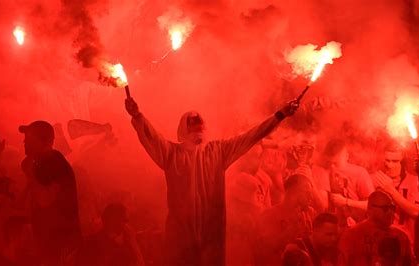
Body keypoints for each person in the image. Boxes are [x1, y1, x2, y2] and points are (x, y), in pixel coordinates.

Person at [125, 97, 299, 265]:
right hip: (181, 236)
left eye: (198, 122)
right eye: (191, 123)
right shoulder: (172, 154)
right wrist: (137, 116)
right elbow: (152, 137)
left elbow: (252, 136)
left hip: (211, 234)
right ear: (182, 130)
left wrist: (280, 115)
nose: (196, 125)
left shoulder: (218, 151)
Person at [19, 120, 81, 265]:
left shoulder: (54, 161)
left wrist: (29, 173)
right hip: (51, 244)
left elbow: (44, 200)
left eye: (28, 138)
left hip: (60, 245)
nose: (24, 142)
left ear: (44, 141)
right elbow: (26, 202)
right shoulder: (41, 163)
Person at [374, 142, 419, 265]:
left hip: (407, 247)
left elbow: (415, 211)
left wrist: (390, 190)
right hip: (380, 247)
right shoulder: (377, 180)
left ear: (402, 162)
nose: (390, 165)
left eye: (395, 161)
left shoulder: (414, 182)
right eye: (387, 160)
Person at [338, 191, 415, 266]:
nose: (390, 212)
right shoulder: (351, 236)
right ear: (370, 209)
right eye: (385, 208)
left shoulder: (401, 236)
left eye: (392, 208)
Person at [254, 174, 315, 265]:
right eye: (307, 193)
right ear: (293, 192)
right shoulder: (269, 215)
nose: (311, 198)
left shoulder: (309, 214)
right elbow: (265, 248)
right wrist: (291, 229)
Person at [321, 139, 374, 227]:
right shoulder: (325, 173)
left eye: (336, 163)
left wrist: (346, 202)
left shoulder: (359, 173)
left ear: (346, 157)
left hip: (359, 227)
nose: (332, 167)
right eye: (329, 163)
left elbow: (371, 205)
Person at [77, 203, 145, 266]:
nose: (126, 224)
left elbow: (140, 263)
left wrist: (133, 242)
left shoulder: (128, 240)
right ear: (113, 221)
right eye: (124, 220)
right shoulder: (92, 243)